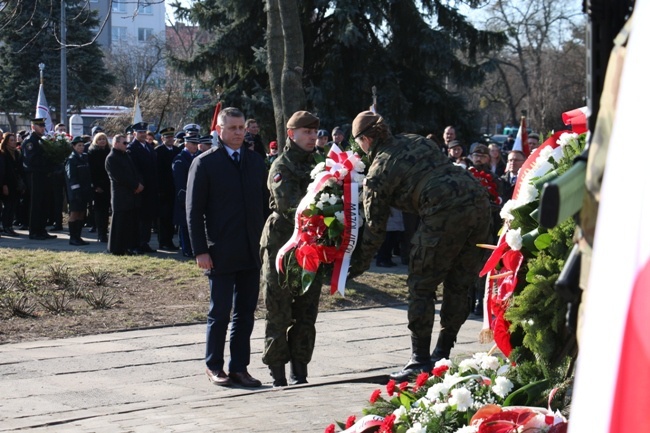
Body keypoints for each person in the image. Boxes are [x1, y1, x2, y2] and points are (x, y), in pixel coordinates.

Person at [349, 111, 491, 381]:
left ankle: (419, 360)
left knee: (421, 283)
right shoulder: (417, 140)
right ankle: (443, 352)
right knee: (459, 282)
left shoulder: (379, 169)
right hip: (478, 201)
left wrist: (355, 266)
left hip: (444, 209)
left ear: (365, 139)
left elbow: (375, 228)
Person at [186, 107, 267, 388]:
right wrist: (200, 250)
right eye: (231, 127)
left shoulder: (256, 162)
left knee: (245, 313)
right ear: (219, 130)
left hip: (250, 249)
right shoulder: (205, 163)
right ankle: (214, 365)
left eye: (241, 127)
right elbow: (194, 212)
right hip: (219, 250)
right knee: (219, 312)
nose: (238, 132)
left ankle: (239, 368)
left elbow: (265, 205)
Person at [261, 110, 323, 387]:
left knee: (306, 312)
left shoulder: (321, 164)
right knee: (279, 310)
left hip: (313, 247)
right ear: (291, 134)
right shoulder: (282, 166)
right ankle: (277, 373)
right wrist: (326, 216)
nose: (312, 137)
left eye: (314, 133)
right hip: (283, 246)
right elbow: (291, 207)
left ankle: (300, 370)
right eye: (306, 132)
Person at [105, 134, 143, 255]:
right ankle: (116, 248)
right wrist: (135, 186)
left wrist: (139, 183)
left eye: (126, 143)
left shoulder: (125, 155)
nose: (126, 145)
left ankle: (128, 247)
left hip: (131, 194)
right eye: (124, 143)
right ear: (116, 143)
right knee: (120, 222)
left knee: (129, 222)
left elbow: (134, 171)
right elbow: (120, 177)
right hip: (121, 195)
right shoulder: (111, 158)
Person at [22, 118, 57, 240]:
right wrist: (47, 160)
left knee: (45, 202)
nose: (43, 128)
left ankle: (42, 229)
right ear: (33, 127)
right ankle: (34, 231)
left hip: (44, 175)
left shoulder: (42, 140)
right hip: (35, 175)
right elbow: (32, 160)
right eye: (40, 126)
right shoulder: (30, 142)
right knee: (36, 204)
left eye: (43, 126)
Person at [127, 121, 158, 253]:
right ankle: (137, 243)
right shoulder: (132, 148)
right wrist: (138, 184)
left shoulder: (149, 147)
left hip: (150, 188)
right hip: (139, 189)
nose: (143, 134)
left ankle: (145, 242)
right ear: (134, 134)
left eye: (144, 132)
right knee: (138, 218)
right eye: (140, 132)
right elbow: (133, 169)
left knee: (147, 217)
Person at [172, 133, 200, 258]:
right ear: (186, 143)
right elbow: (180, 181)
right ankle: (186, 248)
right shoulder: (180, 158)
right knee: (184, 223)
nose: (195, 146)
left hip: (197, 194)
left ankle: (193, 248)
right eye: (193, 144)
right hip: (185, 195)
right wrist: (182, 197)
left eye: (196, 144)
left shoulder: (198, 157)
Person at [155, 127, 181, 251]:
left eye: (172, 137)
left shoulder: (177, 150)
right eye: (168, 137)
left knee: (172, 217)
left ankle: (169, 240)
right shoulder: (158, 151)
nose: (170, 139)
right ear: (162, 138)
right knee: (164, 217)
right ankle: (163, 241)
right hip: (163, 190)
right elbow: (157, 172)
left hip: (174, 189)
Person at [65, 136, 93, 246]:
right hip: (75, 192)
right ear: (73, 146)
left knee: (82, 214)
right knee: (74, 214)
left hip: (84, 190)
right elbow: (72, 177)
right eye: (79, 145)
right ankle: (73, 237)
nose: (81, 147)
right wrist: (76, 192)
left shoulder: (84, 158)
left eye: (82, 145)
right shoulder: (72, 159)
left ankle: (78, 236)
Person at [87, 132, 111, 242]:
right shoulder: (92, 152)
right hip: (98, 185)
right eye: (100, 139)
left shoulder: (109, 152)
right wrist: (95, 185)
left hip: (108, 184)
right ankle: (100, 233)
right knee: (99, 210)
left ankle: (105, 230)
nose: (102, 141)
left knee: (106, 210)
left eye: (104, 139)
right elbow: (91, 171)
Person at [1, 132, 25, 236]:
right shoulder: (3, 154)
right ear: (6, 142)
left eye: (14, 140)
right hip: (7, 184)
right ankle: (6, 226)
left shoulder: (16, 153)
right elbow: (2, 171)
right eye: (11, 140)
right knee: (8, 206)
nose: (14, 142)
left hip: (15, 183)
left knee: (13, 206)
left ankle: (9, 226)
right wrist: (4, 185)